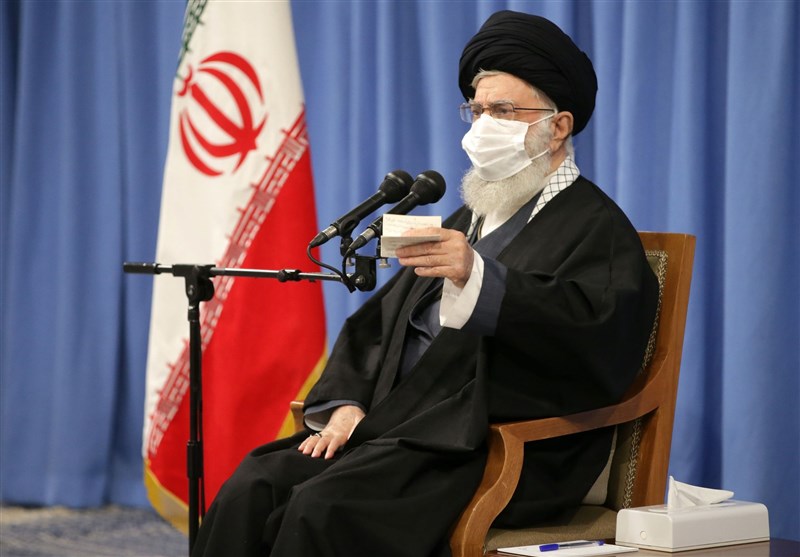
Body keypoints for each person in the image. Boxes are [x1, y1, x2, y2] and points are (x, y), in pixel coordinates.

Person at [191, 10, 659, 557]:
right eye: (477, 110)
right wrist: (347, 403)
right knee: (253, 486)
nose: (482, 126)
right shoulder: (470, 217)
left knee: (323, 509)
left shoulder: (599, 229)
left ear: (558, 127)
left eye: (502, 111)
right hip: (403, 428)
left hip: (494, 445)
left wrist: (480, 278)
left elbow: (596, 344)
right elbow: (378, 327)